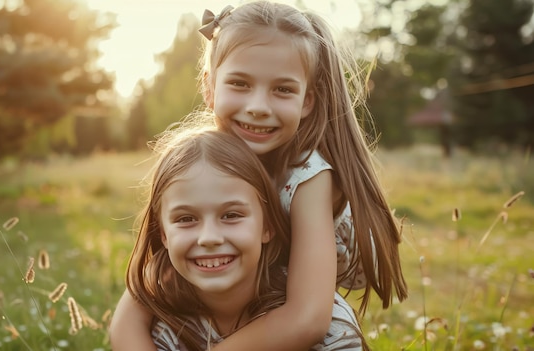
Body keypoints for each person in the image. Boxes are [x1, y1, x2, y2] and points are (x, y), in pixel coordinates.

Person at [111, 1, 407, 350]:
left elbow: (308, 317)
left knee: (327, 326)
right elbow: (131, 313)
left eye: (282, 89)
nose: (258, 107)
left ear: (307, 101)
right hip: (235, 297)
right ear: (209, 87)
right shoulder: (197, 164)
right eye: (239, 83)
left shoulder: (308, 176)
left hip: (292, 300)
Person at [113, 127, 364, 350]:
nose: (209, 238)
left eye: (231, 215)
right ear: (164, 235)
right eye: (186, 219)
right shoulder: (168, 333)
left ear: (267, 226)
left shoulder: (332, 333)